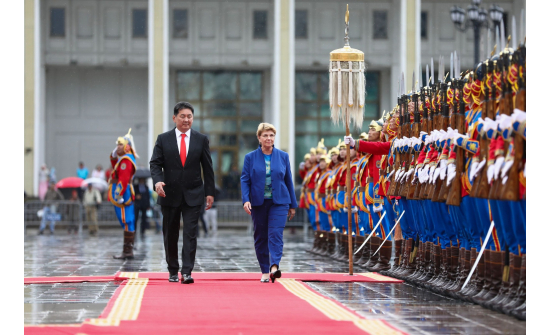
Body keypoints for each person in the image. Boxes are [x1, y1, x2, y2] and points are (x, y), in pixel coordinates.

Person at [150, 101, 215, 284]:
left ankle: (187, 271)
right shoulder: (163, 139)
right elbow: (155, 163)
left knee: (190, 233)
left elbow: (208, 167)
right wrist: (157, 182)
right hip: (168, 194)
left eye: (189, 116)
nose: (186, 120)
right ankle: (172, 270)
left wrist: (209, 192)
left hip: (194, 193)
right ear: (174, 118)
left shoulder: (201, 139)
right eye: (183, 116)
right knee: (170, 233)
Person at [241, 122, 298, 283]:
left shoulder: (283, 156)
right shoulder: (250, 157)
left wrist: (293, 205)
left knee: (275, 234)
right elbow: (245, 180)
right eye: (265, 135)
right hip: (258, 203)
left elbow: (288, 181)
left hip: (280, 202)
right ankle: (264, 270)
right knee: (260, 236)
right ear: (259, 138)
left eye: (271, 135)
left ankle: (274, 266)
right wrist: (246, 200)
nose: (268, 138)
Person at [109, 129, 138, 259]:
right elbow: (116, 167)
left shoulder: (126, 160)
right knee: (129, 221)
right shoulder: (125, 159)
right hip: (125, 191)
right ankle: (128, 250)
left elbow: (123, 179)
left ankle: (127, 251)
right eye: (117, 144)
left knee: (126, 220)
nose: (118, 146)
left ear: (127, 146)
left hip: (123, 192)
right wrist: (113, 156)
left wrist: (118, 194)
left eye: (120, 144)